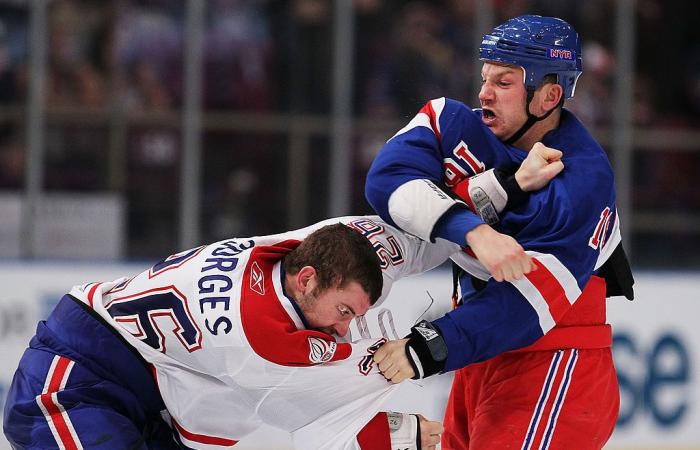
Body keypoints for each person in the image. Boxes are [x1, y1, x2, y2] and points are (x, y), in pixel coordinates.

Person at [364, 15, 633, 450]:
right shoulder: (450, 123)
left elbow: (532, 302)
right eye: (485, 77)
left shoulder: (583, 179)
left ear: (549, 95)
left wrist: (426, 348)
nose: (484, 92)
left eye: (504, 82)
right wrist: (476, 228)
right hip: (481, 358)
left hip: (553, 364)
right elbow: (386, 182)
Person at [3, 219, 450, 450]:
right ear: (308, 280)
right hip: (75, 379)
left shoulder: (304, 246)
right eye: (344, 310)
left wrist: (473, 229)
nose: (344, 326)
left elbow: (380, 232)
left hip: (151, 391)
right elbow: (299, 411)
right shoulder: (254, 342)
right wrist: (394, 432)